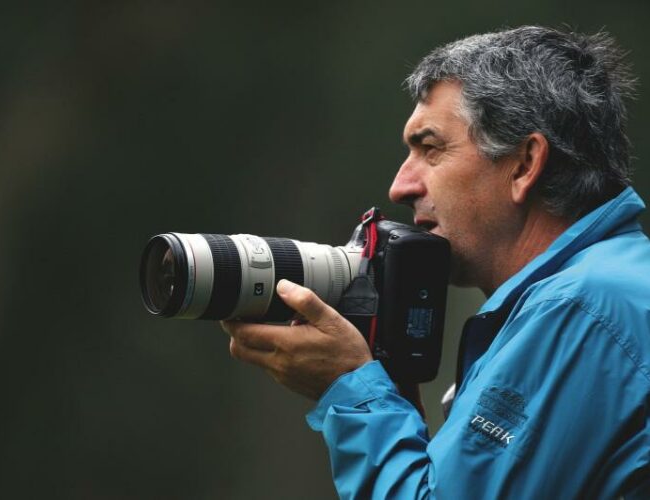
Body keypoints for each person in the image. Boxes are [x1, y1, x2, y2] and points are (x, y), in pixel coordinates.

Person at [222, 26, 650, 498]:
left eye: (431, 149)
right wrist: (395, 397)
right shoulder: (611, 290)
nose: (400, 187)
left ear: (525, 165)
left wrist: (349, 388)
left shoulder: (581, 309)